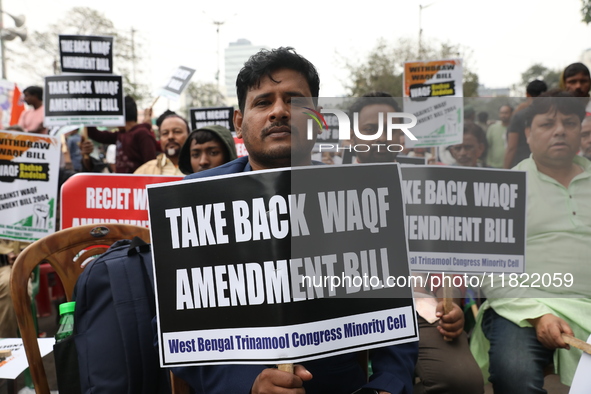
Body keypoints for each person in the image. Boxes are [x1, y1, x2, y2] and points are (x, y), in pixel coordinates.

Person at [180, 47, 418, 394]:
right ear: (238, 121)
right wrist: (247, 384)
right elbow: (176, 327)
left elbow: (395, 317)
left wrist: (387, 386)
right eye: (263, 102)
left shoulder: (362, 198)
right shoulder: (194, 201)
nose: (279, 111)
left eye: (294, 100)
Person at [348, 93, 483, 394]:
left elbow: (447, 261)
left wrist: (452, 307)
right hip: (346, 316)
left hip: (417, 309)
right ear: (351, 138)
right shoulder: (325, 188)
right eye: (371, 130)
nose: (382, 138)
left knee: (464, 380)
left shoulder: (430, 187)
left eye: (391, 129)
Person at [470, 91, 591, 392]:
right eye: (547, 123)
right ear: (528, 132)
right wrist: (538, 316)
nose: (560, 130)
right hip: (522, 306)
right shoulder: (505, 190)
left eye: (569, 122)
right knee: (515, 371)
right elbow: (490, 269)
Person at [87, 96, 159, 173]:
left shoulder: (143, 134)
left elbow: (151, 165)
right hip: (122, 183)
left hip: (137, 183)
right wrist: (88, 116)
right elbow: (97, 135)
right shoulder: (121, 134)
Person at [503, 80, 548, 168]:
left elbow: (512, 147)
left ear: (527, 94)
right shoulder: (551, 115)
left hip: (522, 166)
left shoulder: (519, 116)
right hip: (545, 166)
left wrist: (505, 171)